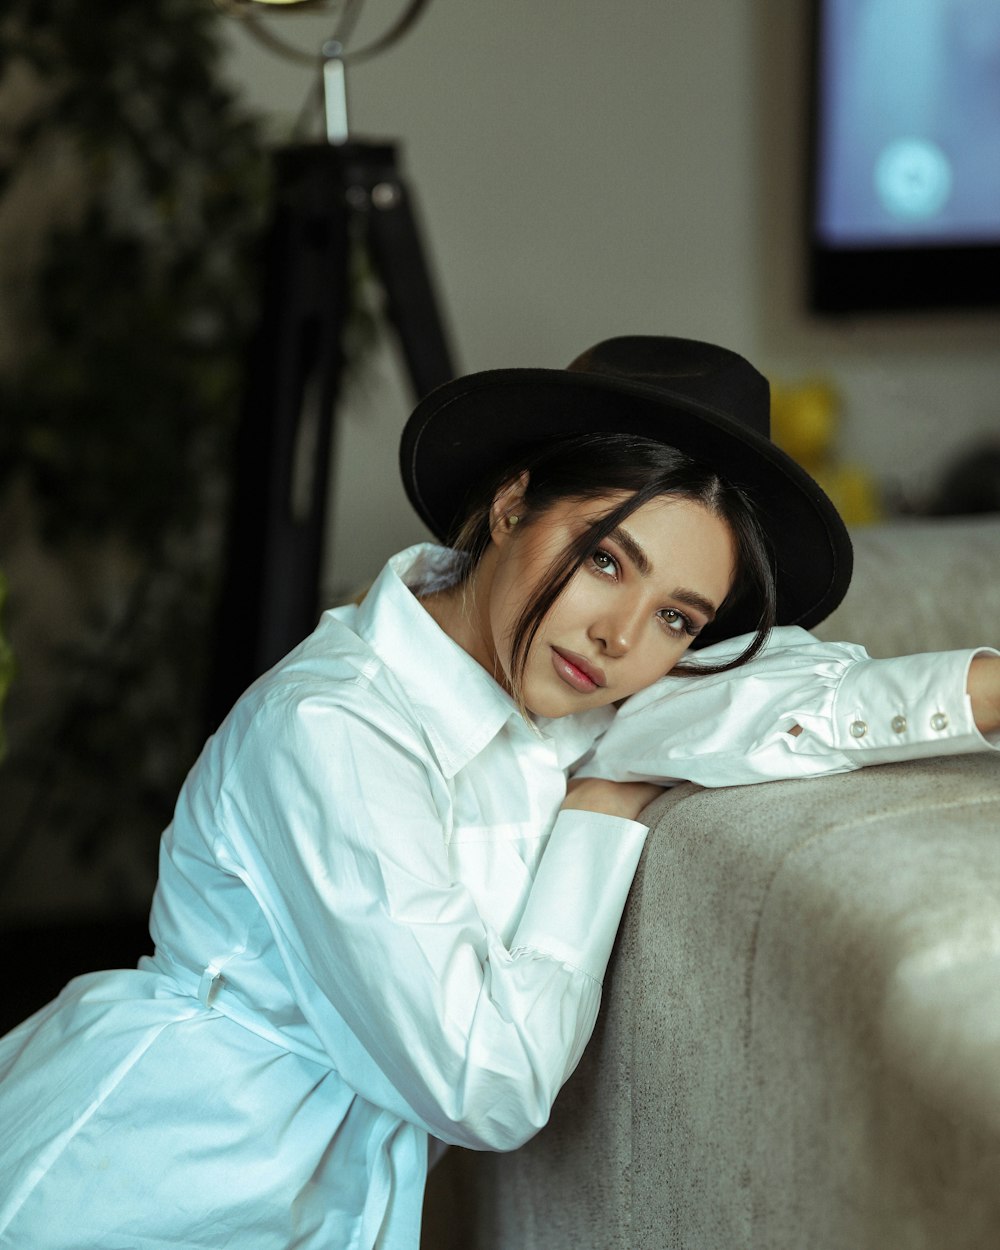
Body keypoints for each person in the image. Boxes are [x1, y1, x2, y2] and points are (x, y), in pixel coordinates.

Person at [0, 337, 997, 1249]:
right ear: (512, 503)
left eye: (677, 616)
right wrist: (598, 812)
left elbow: (771, 691)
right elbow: (488, 1083)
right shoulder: (335, 728)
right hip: (126, 1182)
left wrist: (983, 691)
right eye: (605, 559)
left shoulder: (571, 684)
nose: (620, 638)